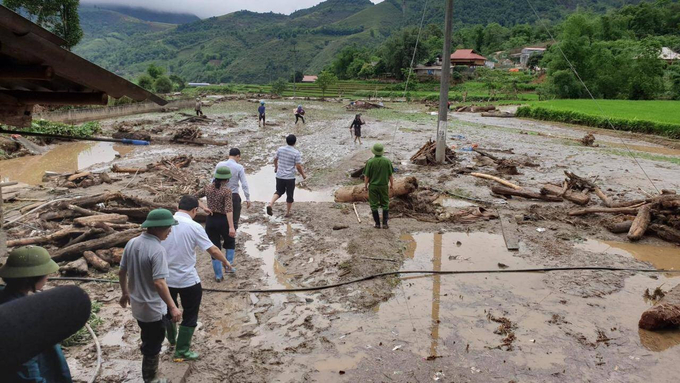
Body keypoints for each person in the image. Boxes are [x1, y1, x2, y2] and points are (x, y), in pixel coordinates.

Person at [162, 196, 232, 362]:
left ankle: (172, 340)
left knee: (167, 311)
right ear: (194, 210)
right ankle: (182, 351)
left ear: (177, 207)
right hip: (187, 280)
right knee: (190, 315)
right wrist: (226, 262)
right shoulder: (194, 226)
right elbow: (213, 250)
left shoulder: (164, 223)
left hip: (164, 280)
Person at [119, 209, 182, 383]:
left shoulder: (132, 243)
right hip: (153, 307)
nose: (170, 232)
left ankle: (159, 344)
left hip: (138, 305)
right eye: (168, 228)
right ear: (158, 228)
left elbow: (122, 270)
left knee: (148, 335)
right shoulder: (157, 250)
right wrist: (172, 306)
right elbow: (159, 283)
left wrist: (125, 292)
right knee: (153, 345)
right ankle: (150, 378)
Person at [0, 246, 72, 382]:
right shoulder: (22, 318)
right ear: (32, 279)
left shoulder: (5, 297)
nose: (48, 278)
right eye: (46, 274)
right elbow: (27, 371)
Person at [196, 167, 236, 282]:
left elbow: (194, 197)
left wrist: (204, 207)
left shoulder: (208, 188)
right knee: (230, 242)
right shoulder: (227, 191)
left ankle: (218, 275)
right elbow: (229, 210)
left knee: (214, 246)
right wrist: (231, 227)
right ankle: (229, 267)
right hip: (223, 220)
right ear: (226, 180)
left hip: (211, 220)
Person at [214, 148, 251, 269]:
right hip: (233, 195)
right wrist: (248, 197)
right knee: (234, 221)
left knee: (220, 216)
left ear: (229, 155)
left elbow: (214, 180)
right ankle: (230, 239)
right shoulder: (239, 167)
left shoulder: (220, 164)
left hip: (219, 194)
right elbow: (244, 183)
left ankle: (219, 237)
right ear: (238, 156)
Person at [267, 134, 307, 217]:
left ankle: (270, 204)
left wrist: (276, 167)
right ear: (295, 142)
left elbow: (275, 159)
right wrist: (303, 174)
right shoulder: (296, 152)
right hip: (289, 177)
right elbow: (298, 166)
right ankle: (288, 213)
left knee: (279, 191)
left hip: (279, 176)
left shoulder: (280, 149)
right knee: (289, 195)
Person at [363, 143, 394, 229]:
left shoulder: (370, 162)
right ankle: (385, 224)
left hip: (373, 186)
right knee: (385, 204)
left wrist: (365, 186)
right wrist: (392, 185)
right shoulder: (387, 161)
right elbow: (390, 175)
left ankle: (377, 224)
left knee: (373, 204)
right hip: (384, 186)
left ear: (374, 152)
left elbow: (367, 176)